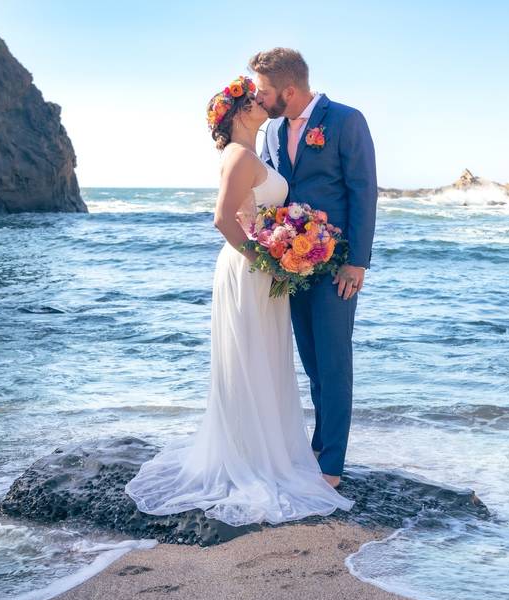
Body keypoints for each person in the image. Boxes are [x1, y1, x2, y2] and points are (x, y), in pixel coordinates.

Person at [124, 75, 354, 527]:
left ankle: (267, 451)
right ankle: (251, 458)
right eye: (251, 100)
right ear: (236, 115)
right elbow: (222, 220)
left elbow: (255, 214)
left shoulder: (254, 152)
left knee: (262, 358)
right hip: (248, 270)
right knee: (249, 357)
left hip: (261, 270)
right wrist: (265, 260)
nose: (259, 102)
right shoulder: (238, 156)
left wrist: (285, 250)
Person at [250, 48, 377, 489]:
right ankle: (319, 446)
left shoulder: (345, 120)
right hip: (290, 266)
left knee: (335, 361)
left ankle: (332, 466)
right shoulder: (269, 131)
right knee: (311, 361)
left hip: (337, 265)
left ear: (289, 89)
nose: (259, 98)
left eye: (264, 91)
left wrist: (357, 262)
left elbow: (364, 192)